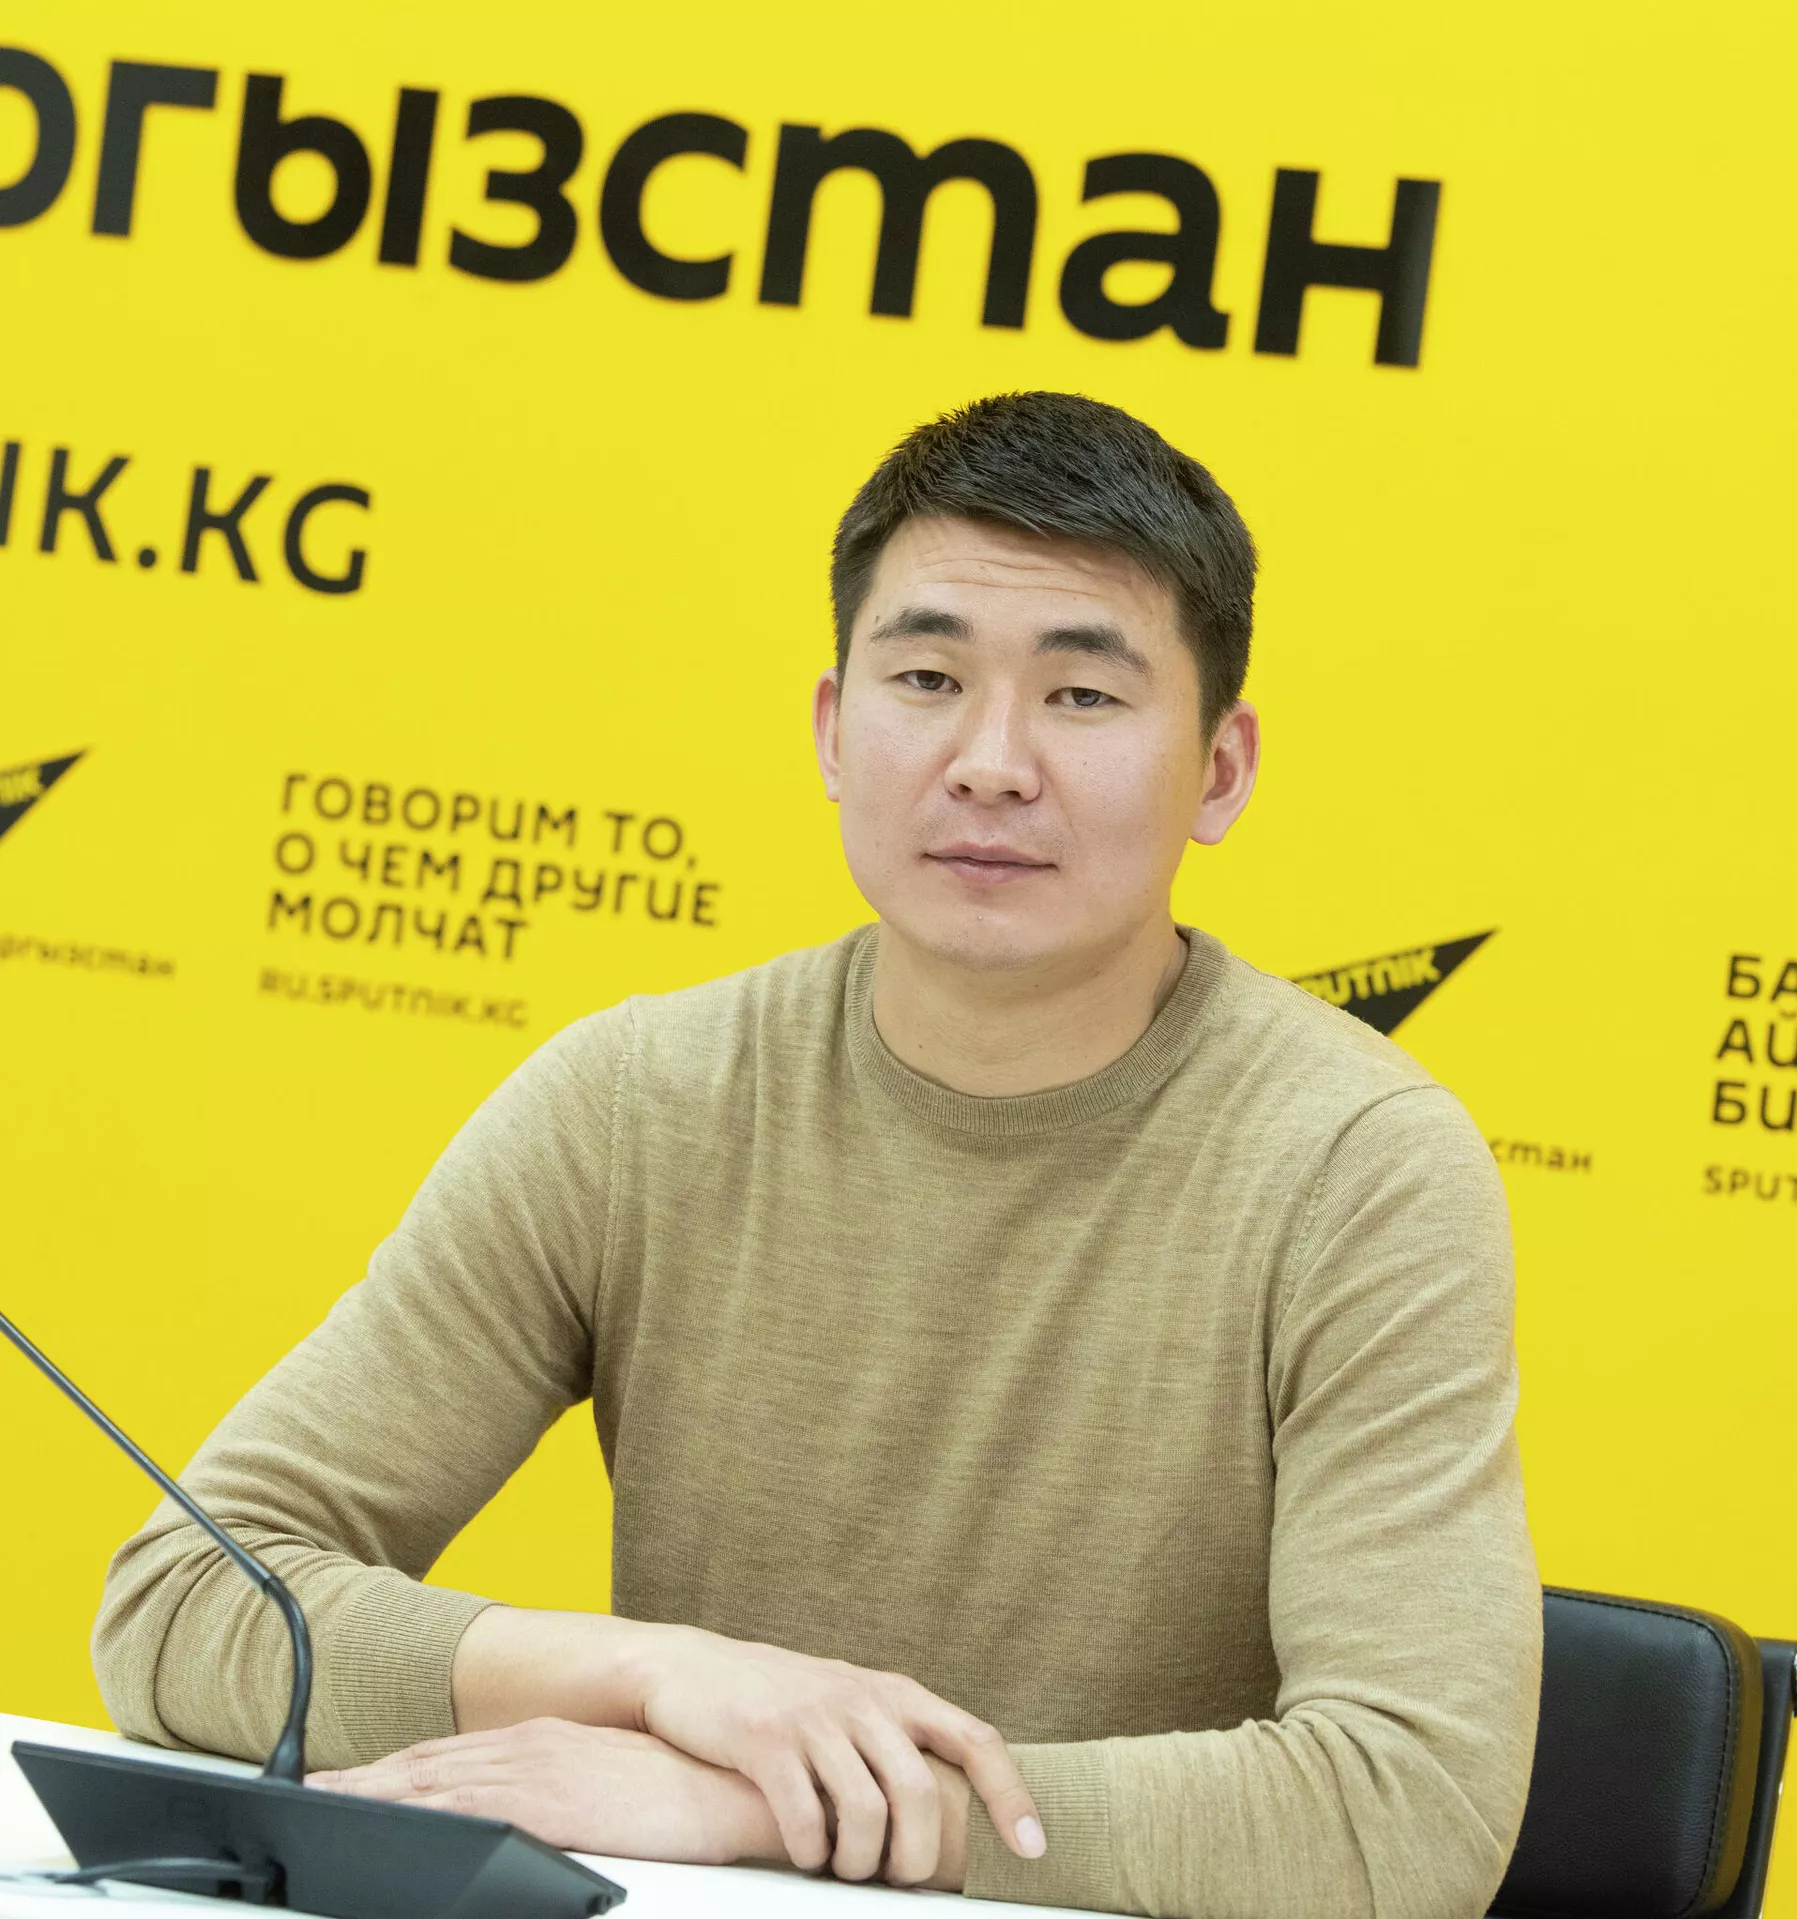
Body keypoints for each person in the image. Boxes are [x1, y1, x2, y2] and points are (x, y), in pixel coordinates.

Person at [94, 392, 1541, 1919]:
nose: (992, 762)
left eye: (1082, 695)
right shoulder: (637, 1101)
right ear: (835, 731)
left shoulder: (1356, 1167)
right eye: (928, 678)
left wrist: (759, 1806)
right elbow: (183, 1600)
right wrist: (659, 1674)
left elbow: (1410, 1808)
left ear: (1223, 769)